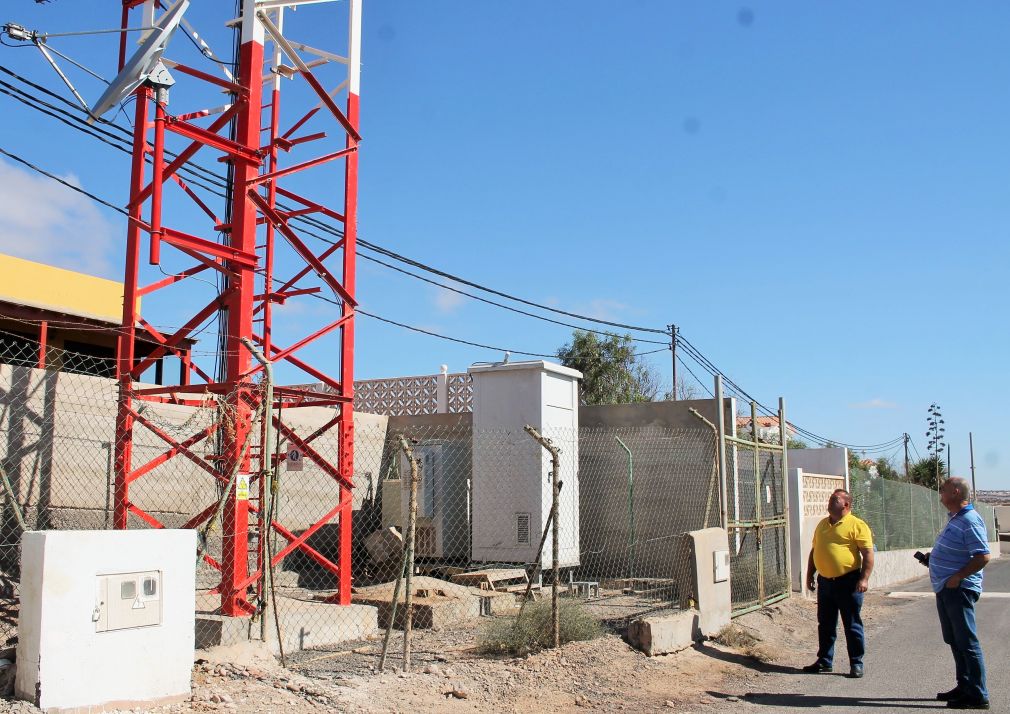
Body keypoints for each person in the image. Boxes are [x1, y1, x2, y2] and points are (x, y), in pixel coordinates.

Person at [927, 477, 991, 710]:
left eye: (943, 491)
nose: (940, 495)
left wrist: (958, 576)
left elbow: (982, 556)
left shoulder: (970, 520)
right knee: (954, 640)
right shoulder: (956, 519)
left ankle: (978, 694)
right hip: (946, 588)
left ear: (955, 492)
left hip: (959, 589)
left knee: (967, 641)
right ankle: (964, 685)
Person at [803, 488, 874, 678]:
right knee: (825, 623)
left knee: (851, 624)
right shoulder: (822, 525)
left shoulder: (857, 525)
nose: (829, 502)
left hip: (848, 582)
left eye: (834, 499)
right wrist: (810, 574)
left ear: (846, 505)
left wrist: (864, 579)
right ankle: (825, 661)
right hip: (825, 583)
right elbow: (814, 551)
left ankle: (856, 663)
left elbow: (867, 554)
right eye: (830, 499)